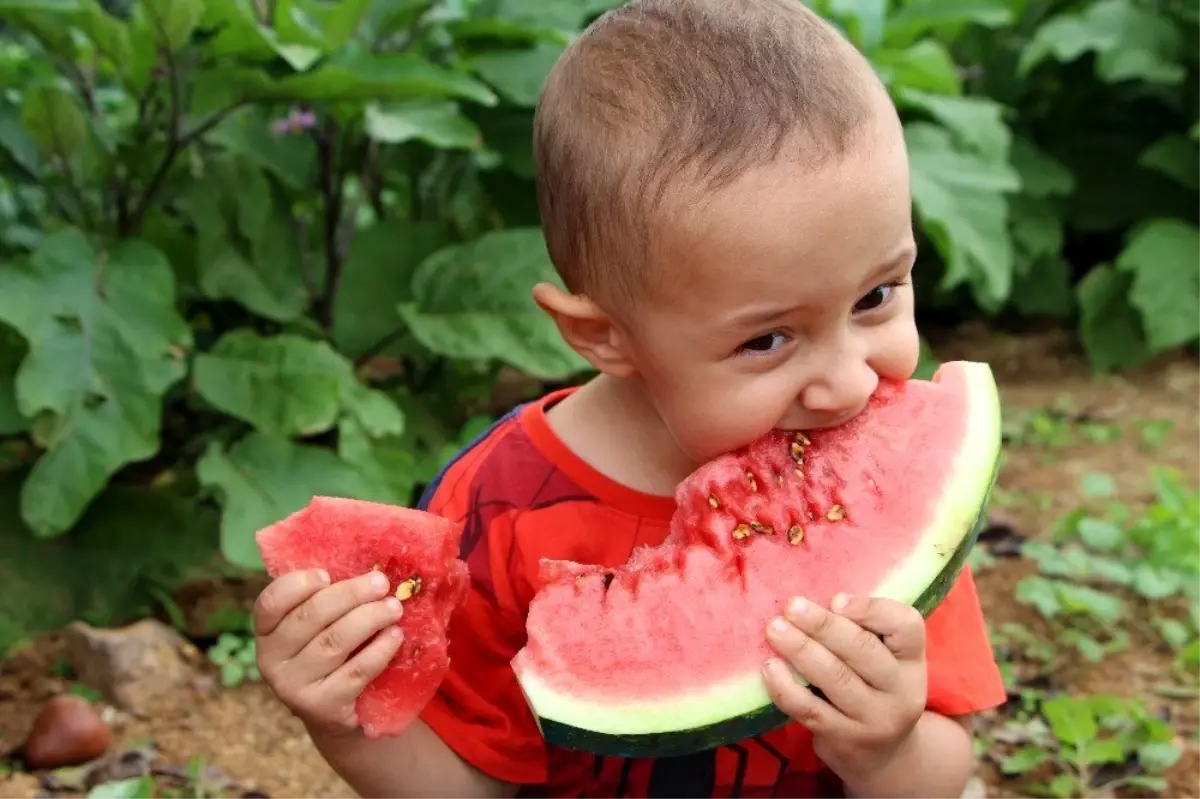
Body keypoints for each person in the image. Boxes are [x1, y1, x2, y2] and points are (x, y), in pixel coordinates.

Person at [250, 1, 1007, 796]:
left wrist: (888, 755)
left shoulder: (878, 491)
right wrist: (346, 726)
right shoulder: (500, 512)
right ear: (603, 336)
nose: (851, 382)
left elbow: (941, 768)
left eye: (879, 295)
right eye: (769, 340)